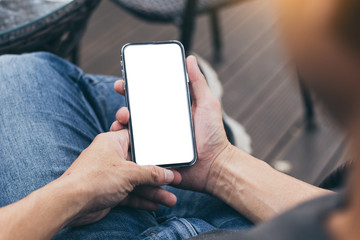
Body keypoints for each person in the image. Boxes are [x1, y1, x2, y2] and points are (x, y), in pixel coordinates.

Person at [0, 0, 359, 240]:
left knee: (22, 73)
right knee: (111, 103)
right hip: (256, 212)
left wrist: (73, 192)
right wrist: (220, 164)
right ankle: (227, 138)